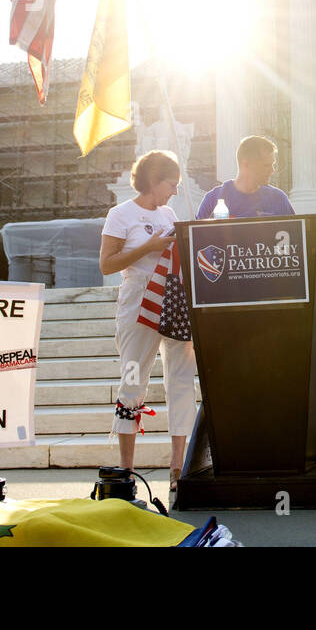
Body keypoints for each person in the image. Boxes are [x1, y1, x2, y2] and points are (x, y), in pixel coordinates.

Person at [99, 150, 198, 492]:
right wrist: (150, 246)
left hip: (173, 298)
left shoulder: (169, 212)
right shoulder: (120, 214)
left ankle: (178, 467)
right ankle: (126, 469)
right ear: (155, 180)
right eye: (172, 184)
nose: (174, 191)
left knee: (182, 379)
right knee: (132, 379)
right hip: (138, 299)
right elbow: (107, 265)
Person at [196, 135, 295, 219]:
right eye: (266, 165)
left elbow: (297, 236)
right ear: (246, 164)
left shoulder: (279, 199)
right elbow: (196, 238)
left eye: (272, 165)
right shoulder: (212, 200)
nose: (272, 170)